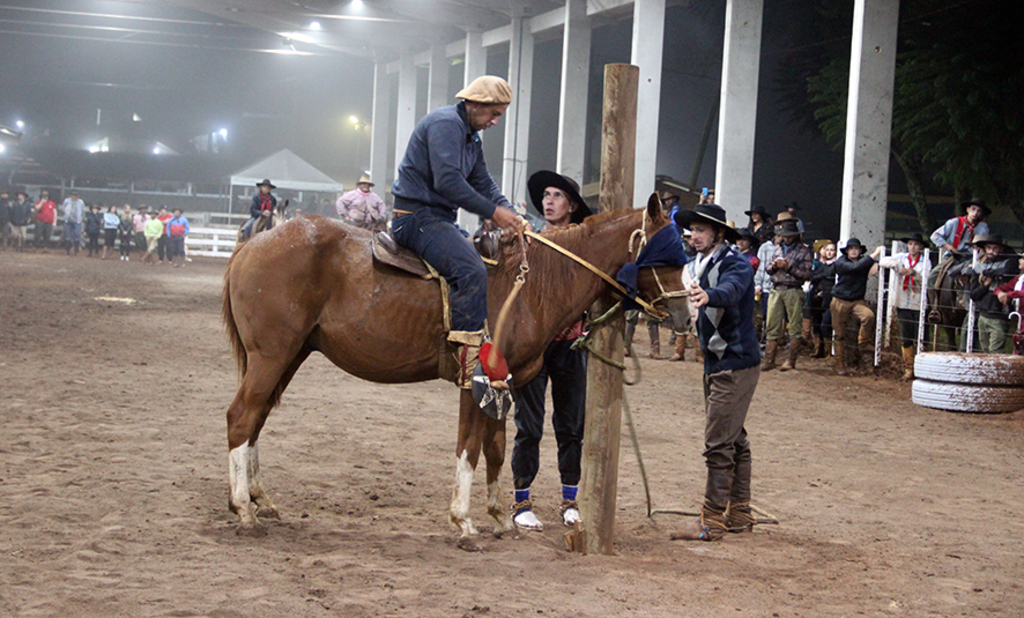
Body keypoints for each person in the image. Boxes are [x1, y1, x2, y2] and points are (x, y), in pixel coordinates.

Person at [390, 75, 527, 389]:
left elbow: (482, 180)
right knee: (471, 270)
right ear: (475, 103)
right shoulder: (446, 125)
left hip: (437, 217)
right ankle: (466, 364)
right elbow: (448, 182)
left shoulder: (470, 135)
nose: (495, 121)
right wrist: (494, 213)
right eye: (494, 114)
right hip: (416, 217)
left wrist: (509, 211)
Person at [669, 203, 761, 542]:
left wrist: (711, 295)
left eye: (701, 230)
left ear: (718, 234)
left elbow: (734, 290)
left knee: (718, 441)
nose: (694, 235)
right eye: (692, 229)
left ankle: (712, 519)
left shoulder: (734, 262)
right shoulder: (694, 265)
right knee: (733, 437)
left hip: (735, 362)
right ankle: (739, 511)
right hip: (718, 362)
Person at [509, 171, 593, 531]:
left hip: (572, 344)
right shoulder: (529, 241)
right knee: (529, 425)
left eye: (557, 195)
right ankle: (521, 500)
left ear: (571, 205)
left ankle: (570, 499)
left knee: (571, 425)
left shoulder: (586, 246)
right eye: (546, 194)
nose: (549, 201)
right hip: (535, 344)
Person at [953, 234, 1020, 353]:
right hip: (983, 315)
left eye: (995, 249)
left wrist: (988, 273)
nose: (991, 251)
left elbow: (1009, 270)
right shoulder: (979, 267)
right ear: (984, 249)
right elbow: (974, 295)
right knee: (984, 351)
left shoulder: (1008, 263)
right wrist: (986, 284)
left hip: (1000, 315)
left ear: (1001, 249)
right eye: (988, 248)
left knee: (995, 351)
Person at [876, 233, 930, 379]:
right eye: (911, 244)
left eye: (916, 244)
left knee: (920, 336)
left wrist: (914, 273)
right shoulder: (901, 257)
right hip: (902, 300)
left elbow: (927, 278)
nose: (913, 247)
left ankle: (921, 368)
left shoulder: (925, 261)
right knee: (906, 336)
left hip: (918, 302)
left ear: (920, 247)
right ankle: (909, 368)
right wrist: (896, 265)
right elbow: (884, 261)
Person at [762, 216, 812, 371]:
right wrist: (775, 267)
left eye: (789, 235)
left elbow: (807, 274)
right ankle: (770, 359)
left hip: (793, 289)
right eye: (785, 235)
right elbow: (768, 269)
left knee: (795, 326)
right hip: (776, 288)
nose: (787, 238)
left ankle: (790, 361)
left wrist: (789, 267)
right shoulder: (777, 249)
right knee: (771, 325)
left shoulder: (804, 251)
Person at [830, 238, 877, 376]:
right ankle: (839, 364)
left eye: (856, 248)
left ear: (860, 250)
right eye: (851, 248)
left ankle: (863, 343)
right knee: (839, 334)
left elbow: (866, 265)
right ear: (847, 251)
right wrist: (874, 255)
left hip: (857, 301)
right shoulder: (841, 262)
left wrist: (876, 263)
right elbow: (854, 267)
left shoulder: (864, 263)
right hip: (840, 300)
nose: (854, 251)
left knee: (868, 316)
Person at [928, 197, 990, 291]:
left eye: (979, 211)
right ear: (968, 209)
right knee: (932, 277)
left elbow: (984, 246)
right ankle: (930, 302)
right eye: (973, 209)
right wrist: (950, 248)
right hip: (952, 256)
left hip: (971, 258)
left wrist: (979, 256)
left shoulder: (983, 227)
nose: (975, 213)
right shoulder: (954, 222)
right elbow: (935, 236)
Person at [808, 241, 838, 358]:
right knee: (817, 323)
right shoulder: (823, 265)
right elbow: (813, 277)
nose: (829, 252)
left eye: (832, 250)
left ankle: (830, 353)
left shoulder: (836, 265)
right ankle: (820, 350)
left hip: (832, 299)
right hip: (821, 299)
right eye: (827, 250)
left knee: (826, 325)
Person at [61, 190, 85, 256]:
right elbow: (63, 208)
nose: (74, 196)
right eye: (73, 195)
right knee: (67, 236)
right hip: (68, 220)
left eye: (75, 195)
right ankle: (67, 250)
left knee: (77, 235)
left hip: (77, 221)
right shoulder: (67, 201)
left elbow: (83, 211)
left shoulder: (80, 202)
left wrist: (81, 218)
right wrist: (66, 215)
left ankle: (76, 250)